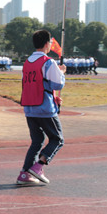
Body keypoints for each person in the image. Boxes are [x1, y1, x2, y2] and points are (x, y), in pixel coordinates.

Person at [16, 29, 66, 186]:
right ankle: (38, 167)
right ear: (46, 44)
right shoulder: (48, 62)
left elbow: (35, 84)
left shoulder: (27, 62)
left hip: (29, 107)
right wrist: (61, 72)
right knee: (57, 139)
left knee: (37, 141)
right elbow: (58, 84)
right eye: (50, 42)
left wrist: (53, 96)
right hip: (44, 108)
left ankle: (24, 174)